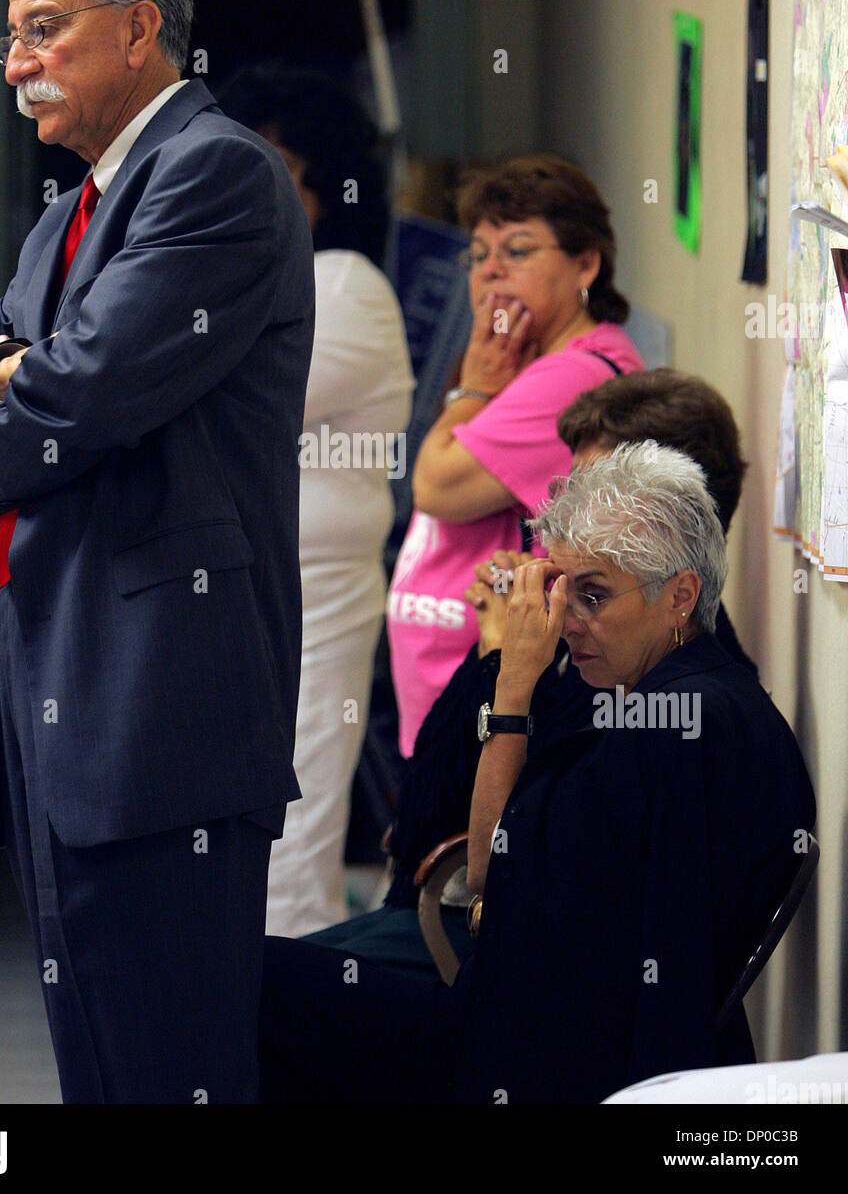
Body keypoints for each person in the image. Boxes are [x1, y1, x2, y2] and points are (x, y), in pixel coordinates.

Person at [0, 0, 315, 1103]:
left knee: (166, 1070)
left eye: (43, 29)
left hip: (157, 713)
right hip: (59, 699)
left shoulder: (216, 175)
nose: (18, 61)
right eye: (11, 39)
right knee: (97, 1070)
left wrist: (21, 392)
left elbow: (80, 395)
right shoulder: (69, 207)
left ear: (139, 30)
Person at [259, 443, 815, 1103]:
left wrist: (514, 686)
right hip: (551, 1038)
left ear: (680, 596)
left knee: (246, 978)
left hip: (522, 1063)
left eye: (593, 595)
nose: (566, 622)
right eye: (560, 590)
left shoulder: (663, 730)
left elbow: (488, 868)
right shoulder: (706, 701)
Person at [303, 368, 757, 974]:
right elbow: (425, 814)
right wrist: (501, 656)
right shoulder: (619, 646)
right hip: (462, 935)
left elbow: (497, 868)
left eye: (586, 489)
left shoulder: (663, 692)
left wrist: (506, 671)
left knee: (247, 988)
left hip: (507, 991)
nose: (556, 508)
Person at [218, 64, 414, 935]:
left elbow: (220, 398)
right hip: (239, 589)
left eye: (273, 171)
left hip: (315, 590)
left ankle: (294, 1037)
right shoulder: (259, 282)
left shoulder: (343, 285)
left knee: (293, 827)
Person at [388, 155, 644, 757]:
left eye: (519, 251)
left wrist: (472, 391)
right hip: (460, 693)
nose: (492, 273)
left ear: (585, 263)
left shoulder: (572, 375)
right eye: (478, 255)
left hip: (485, 696)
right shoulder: (529, 365)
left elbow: (436, 486)